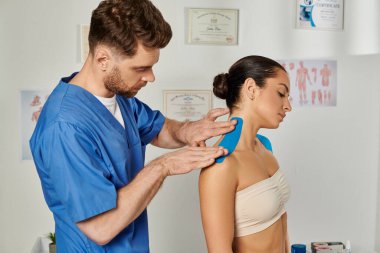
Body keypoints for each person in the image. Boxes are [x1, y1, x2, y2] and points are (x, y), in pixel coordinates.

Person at [29, 0, 236, 252]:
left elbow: (158, 129)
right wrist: (163, 166)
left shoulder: (119, 98)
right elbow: (100, 228)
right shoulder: (65, 128)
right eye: (141, 68)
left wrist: (188, 130)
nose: (150, 77)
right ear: (103, 58)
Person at [199, 55, 292, 253]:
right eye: (281, 93)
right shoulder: (222, 163)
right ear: (251, 89)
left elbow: (281, 221)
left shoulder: (265, 147)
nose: (288, 106)